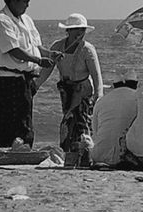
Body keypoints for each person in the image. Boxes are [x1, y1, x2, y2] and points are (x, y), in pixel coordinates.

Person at [0, 0, 55, 148]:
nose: (27, 5)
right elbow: (13, 50)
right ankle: (11, 149)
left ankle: (23, 149)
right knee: (13, 117)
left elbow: (36, 46)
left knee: (24, 117)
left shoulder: (27, 20)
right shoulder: (1, 21)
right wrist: (38, 60)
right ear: (13, 0)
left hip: (24, 78)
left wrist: (50, 54)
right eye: (24, 1)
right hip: (9, 78)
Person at [36, 13, 103, 158]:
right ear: (69, 31)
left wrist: (98, 96)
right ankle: (68, 154)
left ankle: (86, 155)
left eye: (82, 30)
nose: (80, 33)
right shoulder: (57, 46)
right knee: (68, 123)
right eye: (76, 29)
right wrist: (35, 86)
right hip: (66, 90)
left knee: (82, 123)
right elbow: (47, 70)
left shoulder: (87, 49)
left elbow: (97, 76)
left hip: (83, 91)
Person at [90, 70, 141, 167]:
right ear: (136, 84)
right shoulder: (139, 99)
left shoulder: (101, 101)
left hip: (100, 155)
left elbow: (95, 131)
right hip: (127, 157)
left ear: (114, 85)